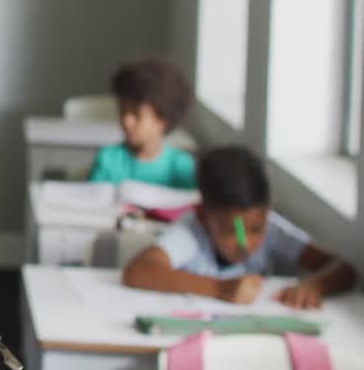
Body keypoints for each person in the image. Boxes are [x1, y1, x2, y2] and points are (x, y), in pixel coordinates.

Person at [123, 146, 357, 309]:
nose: (245, 242)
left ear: (266, 213)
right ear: (203, 214)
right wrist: (219, 289)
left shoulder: (272, 229)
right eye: (229, 231)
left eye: (256, 229)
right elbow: (139, 271)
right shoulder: (192, 232)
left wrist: (315, 285)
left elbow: (344, 269)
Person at [89, 58, 197, 189]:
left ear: (163, 119)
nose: (126, 121)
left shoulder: (182, 167)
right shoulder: (108, 159)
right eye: (123, 110)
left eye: (136, 114)